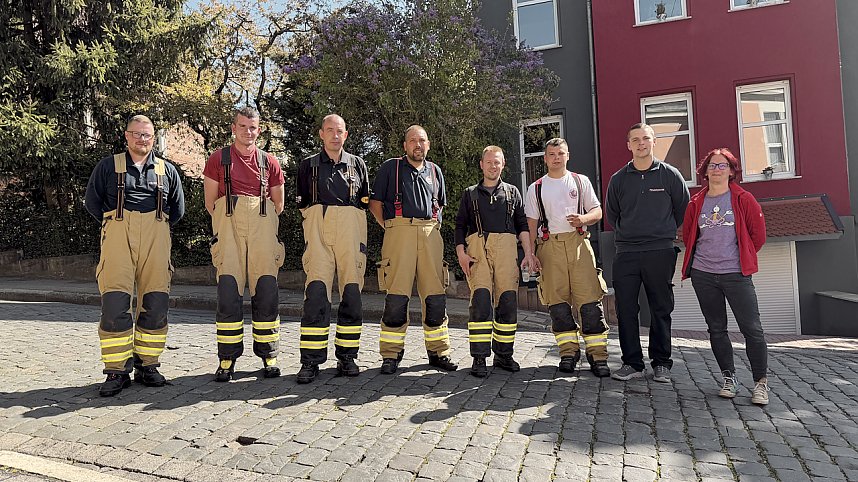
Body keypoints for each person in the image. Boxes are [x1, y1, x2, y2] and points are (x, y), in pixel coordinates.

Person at [85, 115, 185, 397]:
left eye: (148, 135)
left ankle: (147, 366)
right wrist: (117, 225)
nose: (143, 139)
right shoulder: (108, 166)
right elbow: (92, 203)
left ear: (153, 138)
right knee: (115, 302)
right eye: (137, 134)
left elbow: (177, 210)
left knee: (155, 301)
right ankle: (116, 370)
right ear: (126, 136)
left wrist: (153, 227)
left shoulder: (168, 171)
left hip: (157, 236)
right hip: (117, 236)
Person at [203, 106, 285, 382]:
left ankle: (269, 355)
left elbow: (279, 203)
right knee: (228, 294)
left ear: (258, 130)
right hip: (228, 230)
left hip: (262, 228)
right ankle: (227, 358)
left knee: (266, 292)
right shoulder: (218, 159)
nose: (247, 132)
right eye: (242, 126)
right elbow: (210, 202)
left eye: (252, 127)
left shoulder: (270, 162)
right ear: (233, 128)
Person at [681, 148, 769, 405]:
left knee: (752, 329)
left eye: (722, 166)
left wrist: (739, 257)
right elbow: (689, 236)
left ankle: (760, 383)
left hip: (736, 274)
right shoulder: (696, 202)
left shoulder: (743, 199)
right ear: (705, 171)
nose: (716, 170)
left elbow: (757, 236)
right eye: (711, 165)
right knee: (717, 329)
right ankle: (728, 378)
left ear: (731, 171)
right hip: (704, 274)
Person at [369, 125, 457, 374]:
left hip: (430, 234)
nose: (418, 145)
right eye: (412, 141)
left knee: (436, 297)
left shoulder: (436, 171)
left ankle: (439, 352)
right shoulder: (391, 168)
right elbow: (375, 203)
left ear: (428, 144)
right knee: (397, 297)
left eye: (422, 141)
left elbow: (440, 206)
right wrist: (389, 226)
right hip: (399, 234)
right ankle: (391, 354)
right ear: (404, 145)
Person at [606, 123, 690, 382]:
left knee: (661, 308)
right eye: (635, 139)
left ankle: (661, 363)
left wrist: (661, 231)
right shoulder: (618, 179)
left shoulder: (670, 175)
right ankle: (632, 363)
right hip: (627, 252)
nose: (641, 143)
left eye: (646, 138)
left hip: (660, 250)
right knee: (626, 309)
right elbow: (612, 215)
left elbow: (682, 210)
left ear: (654, 142)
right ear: (628, 145)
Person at [524, 138, 612, 377]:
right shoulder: (537, 188)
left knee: (590, 302)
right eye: (551, 154)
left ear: (567, 155)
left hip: (578, 244)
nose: (556, 158)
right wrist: (529, 254)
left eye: (560, 153)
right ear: (545, 158)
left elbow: (597, 211)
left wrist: (583, 219)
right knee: (558, 306)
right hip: (549, 247)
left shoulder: (579, 181)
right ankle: (568, 353)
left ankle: (598, 356)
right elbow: (531, 225)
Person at [295, 114, 370, 383]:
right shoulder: (308, 166)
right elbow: (302, 203)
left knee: (352, 294)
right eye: (330, 131)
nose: (335, 135)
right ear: (321, 134)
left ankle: (347, 357)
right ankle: (310, 361)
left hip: (350, 231)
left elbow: (364, 202)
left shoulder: (358, 165)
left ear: (346, 135)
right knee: (316, 294)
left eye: (339, 131)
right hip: (318, 231)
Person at [455, 146, 532, 377]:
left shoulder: (512, 193)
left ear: (503, 164)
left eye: (496, 162)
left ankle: (504, 355)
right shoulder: (470, 194)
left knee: (507, 302)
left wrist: (528, 253)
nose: (492, 166)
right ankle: (479, 358)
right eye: (488, 162)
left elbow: (522, 226)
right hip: (477, 250)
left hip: (507, 251)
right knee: (480, 303)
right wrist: (461, 254)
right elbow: (459, 225)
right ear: (481, 164)